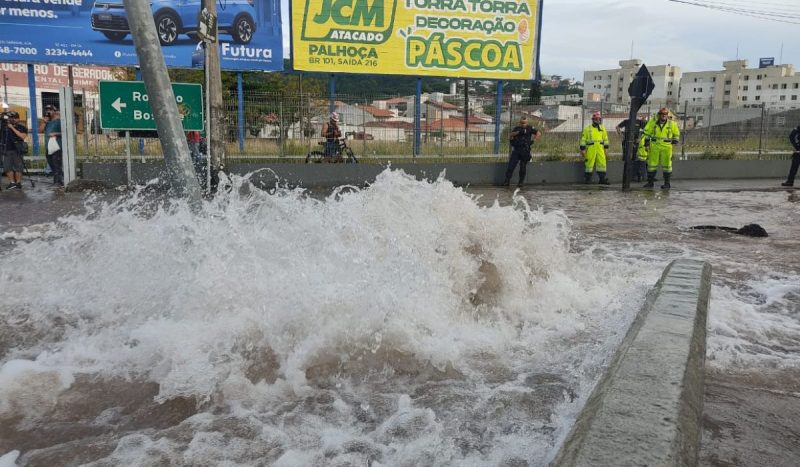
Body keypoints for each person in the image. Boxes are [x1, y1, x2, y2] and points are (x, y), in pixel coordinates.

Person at [642, 107, 681, 189]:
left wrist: (675, 140)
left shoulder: (672, 124)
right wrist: (646, 143)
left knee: (667, 166)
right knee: (651, 165)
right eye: (662, 114)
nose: (664, 116)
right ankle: (650, 183)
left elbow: (676, 134)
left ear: (667, 115)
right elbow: (647, 133)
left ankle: (667, 183)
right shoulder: (653, 123)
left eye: (665, 114)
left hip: (666, 148)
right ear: (659, 115)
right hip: (654, 146)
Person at [503, 116, 540, 187]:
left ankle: (520, 182)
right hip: (517, 150)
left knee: (523, 167)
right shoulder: (517, 128)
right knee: (511, 166)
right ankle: (507, 181)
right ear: (520, 123)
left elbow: (538, 133)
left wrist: (533, 141)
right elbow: (510, 135)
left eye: (524, 123)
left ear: (527, 122)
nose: (523, 124)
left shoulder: (530, 128)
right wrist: (518, 132)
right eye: (522, 123)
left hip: (525, 150)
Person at [580, 111, 611, 184]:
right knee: (589, 164)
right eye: (596, 119)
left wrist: (606, 149)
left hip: (600, 148)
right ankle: (587, 179)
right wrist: (582, 150)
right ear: (593, 119)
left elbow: (605, 139)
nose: (598, 120)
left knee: (602, 163)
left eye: (599, 119)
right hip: (591, 149)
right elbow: (583, 140)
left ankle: (602, 179)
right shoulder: (587, 129)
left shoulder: (602, 128)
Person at [0, 110, 29, 190]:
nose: (12, 120)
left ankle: (18, 182)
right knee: (7, 167)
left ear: (18, 119)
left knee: (18, 167)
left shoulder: (22, 127)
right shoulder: (3, 127)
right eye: (10, 118)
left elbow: (23, 137)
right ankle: (12, 183)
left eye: (14, 118)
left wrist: (12, 128)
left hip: (17, 150)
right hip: (7, 150)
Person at [616, 117, 647, 182]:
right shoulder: (626, 121)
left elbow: (646, 129)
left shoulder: (639, 122)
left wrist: (640, 138)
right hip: (626, 142)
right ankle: (626, 175)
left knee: (634, 158)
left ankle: (634, 175)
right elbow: (618, 127)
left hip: (635, 143)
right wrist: (621, 136)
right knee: (626, 157)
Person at [43, 105, 64, 187]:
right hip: (48, 147)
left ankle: (59, 181)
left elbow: (65, 132)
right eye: (47, 110)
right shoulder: (48, 122)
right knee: (52, 165)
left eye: (50, 110)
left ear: (55, 111)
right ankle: (56, 181)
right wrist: (44, 122)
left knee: (57, 164)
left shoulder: (59, 121)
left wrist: (55, 133)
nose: (48, 112)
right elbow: (40, 130)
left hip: (57, 147)